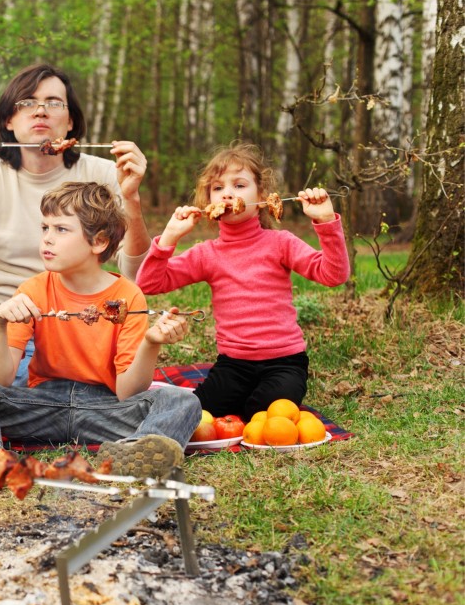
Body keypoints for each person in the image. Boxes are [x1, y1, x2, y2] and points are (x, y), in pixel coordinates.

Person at [0, 182, 201, 479]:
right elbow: (0, 379)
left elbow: (128, 392)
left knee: (182, 400)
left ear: (99, 242)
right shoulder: (33, 290)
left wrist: (151, 343)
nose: (47, 238)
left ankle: (136, 452)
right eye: (44, 228)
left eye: (61, 229)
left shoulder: (128, 296)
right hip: (40, 406)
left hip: (104, 410)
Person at [0, 63, 152, 385]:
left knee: (28, 387)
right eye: (27, 103)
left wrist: (131, 199)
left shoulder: (105, 175)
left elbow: (137, 272)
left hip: (72, 319)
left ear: (70, 121)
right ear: (9, 120)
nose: (40, 111)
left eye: (53, 103)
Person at [136, 142, 350, 420]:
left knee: (263, 413)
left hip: (284, 362)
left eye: (239, 185)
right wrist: (168, 238)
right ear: (208, 201)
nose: (227, 194)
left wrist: (326, 222)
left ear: (261, 195)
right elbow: (150, 284)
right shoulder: (207, 254)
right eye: (218, 188)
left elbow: (333, 275)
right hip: (233, 365)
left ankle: (261, 403)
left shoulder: (280, 243)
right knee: (194, 414)